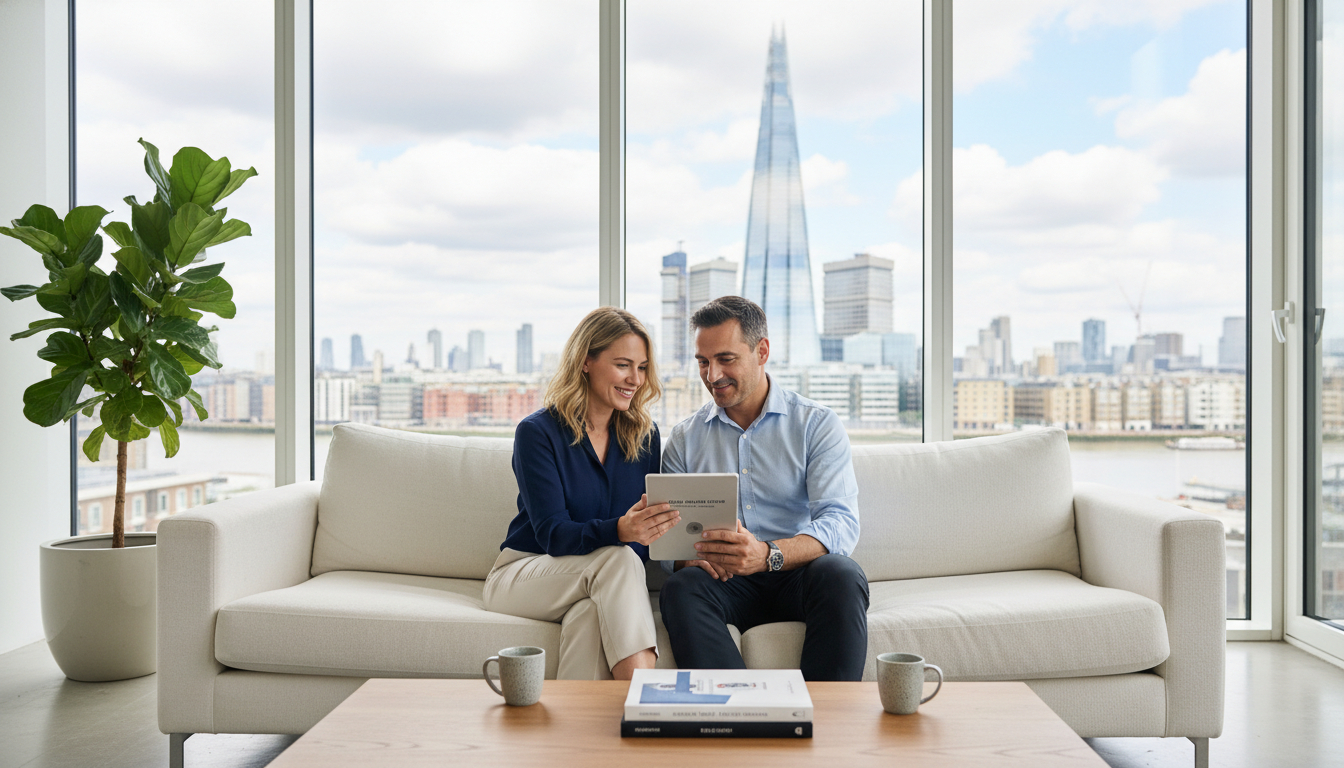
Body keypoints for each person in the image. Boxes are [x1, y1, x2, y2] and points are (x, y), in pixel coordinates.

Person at [658, 296, 868, 681]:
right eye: (703, 362)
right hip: (726, 582)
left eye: (726, 359)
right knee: (682, 585)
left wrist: (766, 554)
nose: (712, 375)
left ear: (762, 351)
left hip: (796, 574)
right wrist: (692, 558)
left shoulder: (816, 425)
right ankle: (739, 713)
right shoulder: (684, 439)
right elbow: (669, 546)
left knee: (841, 573)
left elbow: (840, 523)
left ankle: (827, 720)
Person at [483, 307, 679, 681]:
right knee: (618, 560)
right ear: (587, 360)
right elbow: (553, 534)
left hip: (598, 580)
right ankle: (645, 695)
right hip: (524, 572)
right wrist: (621, 530)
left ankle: (573, 734)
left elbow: (638, 547)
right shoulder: (538, 433)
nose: (635, 379)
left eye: (641, 368)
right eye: (623, 365)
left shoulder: (644, 436)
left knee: (591, 616)